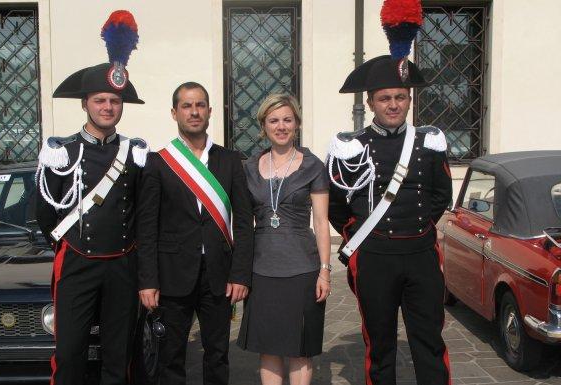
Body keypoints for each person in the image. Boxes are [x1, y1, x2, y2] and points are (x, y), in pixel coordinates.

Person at [35, 11, 149, 385]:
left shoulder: (134, 153)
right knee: (69, 354)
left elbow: (142, 212)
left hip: (122, 264)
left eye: (114, 101)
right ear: (85, 103)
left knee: (120, 356)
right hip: (77, 262)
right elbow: (45, 214)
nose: (107, 107)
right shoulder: (62, 152)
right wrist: (70, 244)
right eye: (100, 100)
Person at [326, 54, 453, 385]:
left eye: (400, 97)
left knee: (429, 342)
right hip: (375, 259)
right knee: (379, 346)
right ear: (370, 102)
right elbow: (335, 203)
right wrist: (361, 236)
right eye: (385, 98)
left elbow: (441, 194)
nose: (393, 105)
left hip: (422, 255)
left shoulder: (429, 142)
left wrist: (421, 226)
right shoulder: (352, 147)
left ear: (409, 100)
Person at [138, 82, 254, 385]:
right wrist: (148, 280)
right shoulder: (159, 162)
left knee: (217, 355)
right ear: (174, 112)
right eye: (187, 106)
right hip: (172, 274)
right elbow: (147, 227)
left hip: (219, 274)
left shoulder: (230, 160)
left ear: (210, 112)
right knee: (170, 356)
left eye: (200, 105)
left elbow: (244, 221)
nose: (194, 112)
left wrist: (241, 273)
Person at [236, 94, 331, 385]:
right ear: (263, 126)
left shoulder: (313, 165)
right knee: (269, 347)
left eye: (287, 120)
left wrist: (325, 271)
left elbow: (321, 222)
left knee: (300, 349)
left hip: (302, 269)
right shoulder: (249, 167)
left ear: (297, 124)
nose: (281, 126)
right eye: (274, 120)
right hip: (261, 269)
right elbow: (240, 222)